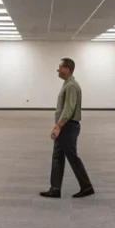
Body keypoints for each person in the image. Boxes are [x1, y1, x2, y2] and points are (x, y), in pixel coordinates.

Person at [40, 57, 95, 198]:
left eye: (60, 67)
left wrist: (58, 126)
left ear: (67, 69)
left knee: (72, 157)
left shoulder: (71, 86)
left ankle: (86, 186)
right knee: (58, 156)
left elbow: (68, 109)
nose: (58, 70)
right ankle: (55, 188)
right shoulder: (67, 84)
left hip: (68, 126)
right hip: (66, 126)